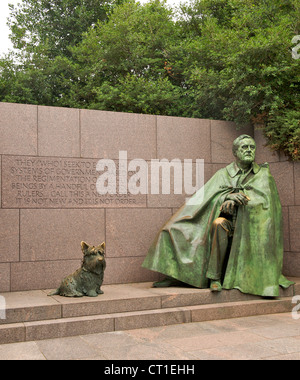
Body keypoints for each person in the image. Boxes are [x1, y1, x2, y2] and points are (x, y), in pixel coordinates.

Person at [142, 135, 293, 297]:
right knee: (176, 229)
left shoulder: (263, 175)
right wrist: (224, 198)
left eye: (252, 147)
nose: (249, 150)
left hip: (250, 228)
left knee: (219, 224)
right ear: (235, 152)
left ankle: (241, 279)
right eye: (244, 148)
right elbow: (205, 198)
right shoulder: (223, 174)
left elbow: (268, 207)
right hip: (227, 222)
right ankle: (187, 276)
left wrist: (239, 201)